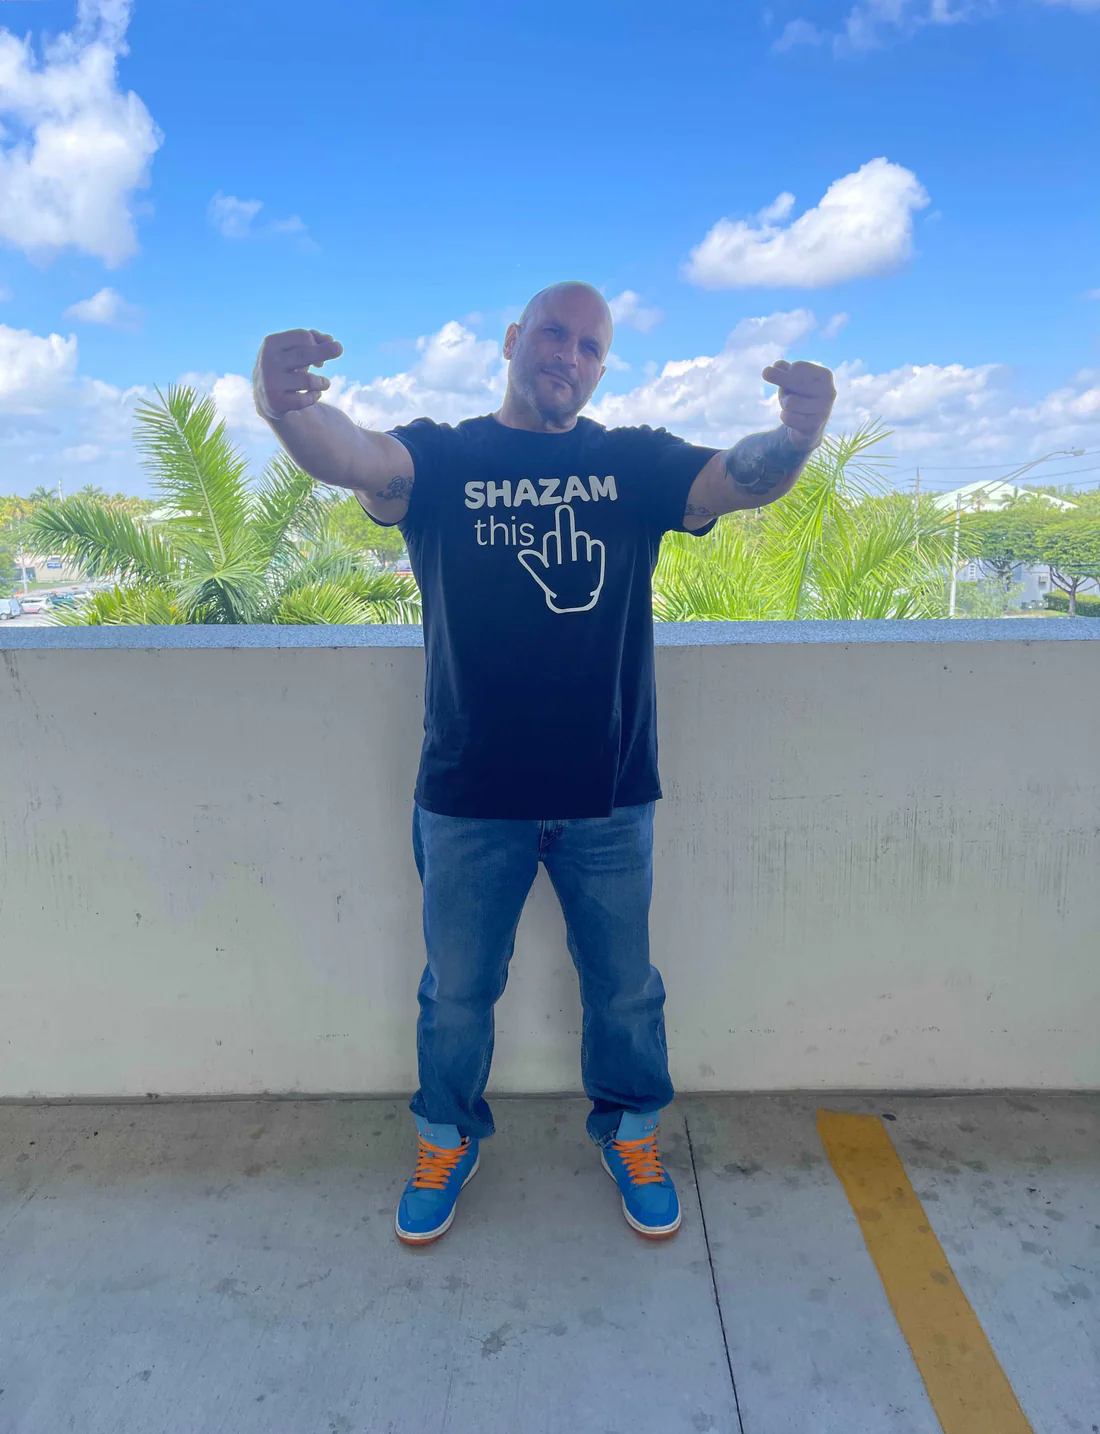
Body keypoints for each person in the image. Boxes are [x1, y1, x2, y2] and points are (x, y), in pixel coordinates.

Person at [252, 282, 836, 1245]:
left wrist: (799, 434)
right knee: (456, 993)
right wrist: (284, 409)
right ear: (513, 340)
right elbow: (357, 456)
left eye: (590, 346)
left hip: (608, 792)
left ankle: (632, 1131)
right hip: (469, 792)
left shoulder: (631, 461)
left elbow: (734, 478)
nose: (569, 354)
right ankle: (445, 1136)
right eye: (554, 335)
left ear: (601, 367)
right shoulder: (444, 456)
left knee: (625, 990)